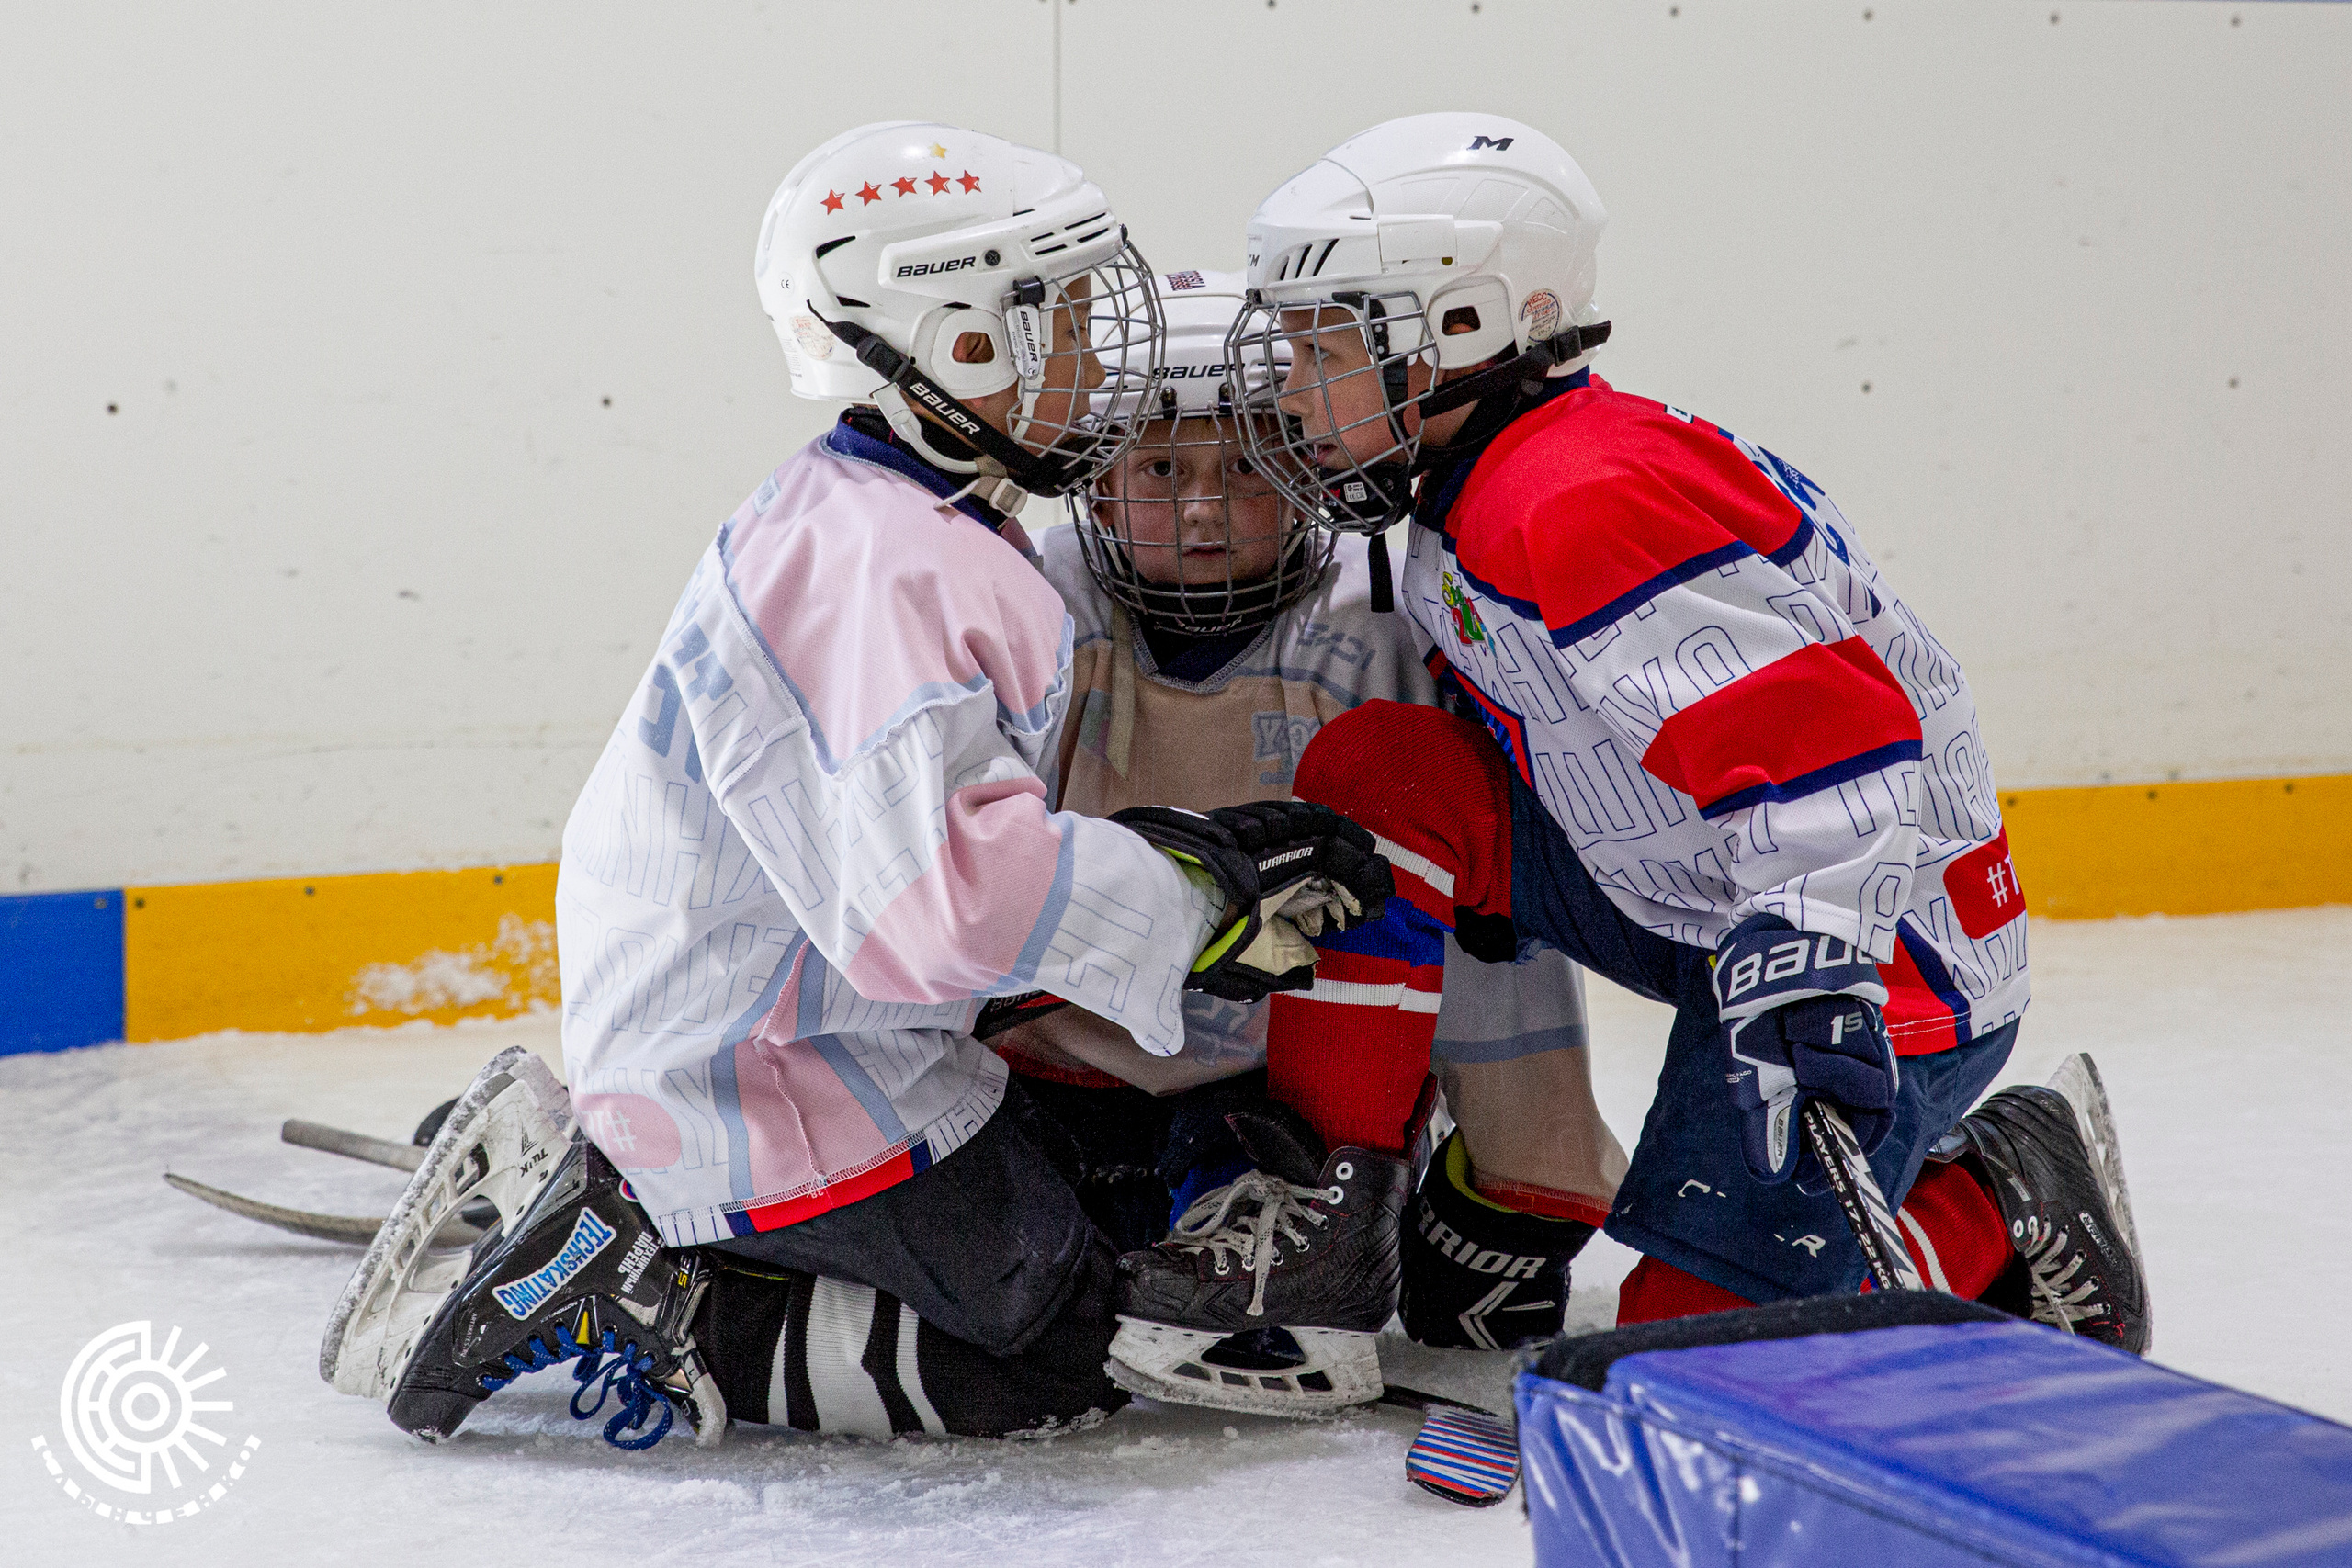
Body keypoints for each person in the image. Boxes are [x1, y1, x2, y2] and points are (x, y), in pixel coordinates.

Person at [330, 121, 1391, 1449]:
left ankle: (632, 1211)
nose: (1097, 358)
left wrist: (1183, 869)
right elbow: (926, 905)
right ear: (959, 345)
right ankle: (639, 1278)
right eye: (1063, 320)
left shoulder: (899, 516)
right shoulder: (881, 568)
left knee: (1109, 1199)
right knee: (1055, 1345)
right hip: (757, 1082)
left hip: (820, 1037)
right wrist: (1193, 895)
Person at [1115, 115, 2149, 1417]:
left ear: (1461, 332)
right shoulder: (1483, 475)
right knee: (1388, 769)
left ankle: (2005, 1185)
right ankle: (1325, 1215)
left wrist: (1820, 946)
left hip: (1875, 948)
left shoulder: (1579, 496)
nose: (1290, 387)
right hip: (1697, 885)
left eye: (1326, 343)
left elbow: (1841, 742)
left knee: (1685, 1366)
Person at [978, 271, 1625, 1413]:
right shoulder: (1035, 599)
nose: (1202, 509)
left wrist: (1528, 1186)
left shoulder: (1384, 626)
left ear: (1306, 472)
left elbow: (1483, 931)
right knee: (1027, 1287)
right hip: (1053, 1062)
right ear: (1095, 482)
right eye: (1160, 470)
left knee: (1443, 1289)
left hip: (1277, 1094)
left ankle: (1343, 1216)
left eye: (1245, 468)